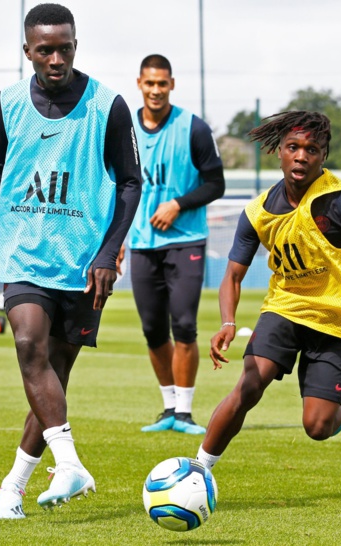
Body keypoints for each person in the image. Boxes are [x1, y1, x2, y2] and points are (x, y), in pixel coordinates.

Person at [0, 3, 141, 519]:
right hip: (23, 252)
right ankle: (69, 462)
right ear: (28, 52)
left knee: (52, 380)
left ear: (74, 46)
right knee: (27, 345)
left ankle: (13, 485)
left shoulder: (107, 106)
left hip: (85, 262)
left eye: (65, 47)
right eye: (45, 49)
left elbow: (131, 181)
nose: (56, 57)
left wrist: (109, 252)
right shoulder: (9, 101)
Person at [194, 111, 341, 473]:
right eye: (293, 147)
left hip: (335, 319)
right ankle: (197, 469)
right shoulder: (258, 212)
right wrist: (227, 321)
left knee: (317, 427)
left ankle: (340, 396)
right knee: (249, 384)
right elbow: (233, 275)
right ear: (279, 152)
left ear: (323, 155)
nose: (301, 156)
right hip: (284, 310)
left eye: (312, 149)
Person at [115, 54, 225, 435]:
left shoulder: (192, 128)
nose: (156, 90)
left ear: (172, 85)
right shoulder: (123, 127)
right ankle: (167, 408)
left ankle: (185, 412)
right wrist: (115, 242)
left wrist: (178, 204)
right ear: (139, 83)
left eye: (163, 83)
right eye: (150, 83)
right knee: (152, 330)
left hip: (186, 241)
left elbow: (216, 184)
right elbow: (111, 186)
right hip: (143, 243)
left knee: (184, 324)